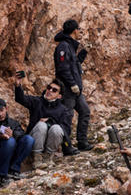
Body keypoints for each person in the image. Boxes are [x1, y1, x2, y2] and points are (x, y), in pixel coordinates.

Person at [14, 75, 74, 167]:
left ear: (59, 96)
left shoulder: (63, 110)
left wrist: (50, 121)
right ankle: (36, 158)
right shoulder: (37, 101)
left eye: (54, 90)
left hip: (50, 144)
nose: (50, 91)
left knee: (57, 128)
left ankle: (48, 157)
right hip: (35, 139)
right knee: (42, 125)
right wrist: (18, 85)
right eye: (49, 88)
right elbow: (21, 99)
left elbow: (66, 129)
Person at [53, 19, 93, 151]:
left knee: (85, 111)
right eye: (79, 29)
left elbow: (75, 64)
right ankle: (67, 147)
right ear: (74, 30)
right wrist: (72, 84)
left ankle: (82, 142)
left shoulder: (70, 45)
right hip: (68, 89)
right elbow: (63, 68)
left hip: (75, 89)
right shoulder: (63, 46)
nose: (80, 31)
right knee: (67, 117)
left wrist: (84, 52)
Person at [0, 98, 35, 186]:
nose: (0, 114)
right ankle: (2, 175)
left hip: (12, 153)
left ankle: (14, 170)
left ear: (6, 109)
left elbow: (22, 135)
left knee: (29, 139)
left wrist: (13, 134)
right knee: (9, 141)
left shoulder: (13, 123)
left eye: (1, 110)